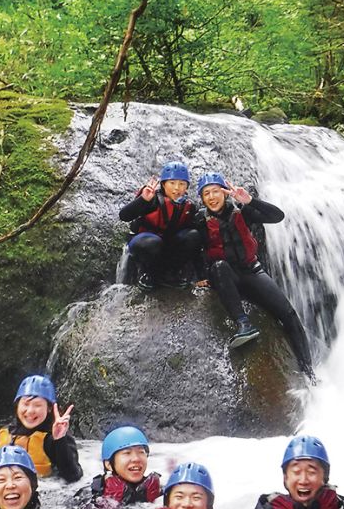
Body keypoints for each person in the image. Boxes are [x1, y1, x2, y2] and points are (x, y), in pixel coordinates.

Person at [195, 172, 315, 376]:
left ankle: (308, 371)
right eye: (206, 194)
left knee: (289, 315)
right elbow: (186, 242)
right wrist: (197, 276)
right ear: (202, 198)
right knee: (219, 266)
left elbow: (278, 216)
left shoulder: (242, 212)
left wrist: (250, 201)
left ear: (225, 193)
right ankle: (243, 324)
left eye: (216, 191)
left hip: (251, 271)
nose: (212, 197)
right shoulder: (199, 219)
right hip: (224, 276)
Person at [119, 160, 202, 290]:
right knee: (153, 243)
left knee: (193, 235)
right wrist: (143, 200)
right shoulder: (152, 199)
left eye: (182, 184)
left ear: (187, 187)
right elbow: (124, 216)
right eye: (172, 183)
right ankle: (148, 274)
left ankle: (171, 273)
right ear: (163, 184)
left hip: (167, 247)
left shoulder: (189, 206)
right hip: (145, 243)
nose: (177, 188)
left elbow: (194, 238)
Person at [0, 374, 83, 483]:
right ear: (17, 405)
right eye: (25, 404)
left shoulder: (54, 437)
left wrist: (60, 440)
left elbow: (73, 476)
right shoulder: (4, 433)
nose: (30, 411)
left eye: (37, 405)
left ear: (49, 408)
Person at [86, 425, 164, 509]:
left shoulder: (163, 493)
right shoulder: (91, 496)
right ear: (109, 464)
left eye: (141, 452)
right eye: (127, 453)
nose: (136, 459)